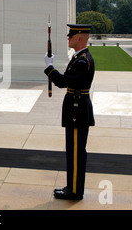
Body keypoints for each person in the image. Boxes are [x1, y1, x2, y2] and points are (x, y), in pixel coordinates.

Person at [44, 24, 95, 200]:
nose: (68, 38)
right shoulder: (78, 58)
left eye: (71, 36)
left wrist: (50, 68)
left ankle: (74, 191)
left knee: (76, 152)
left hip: (77, 110)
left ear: (80, 38)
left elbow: (64, 81)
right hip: (76, 108)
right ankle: (72, 186)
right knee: (73, 151)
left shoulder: (83, 61)